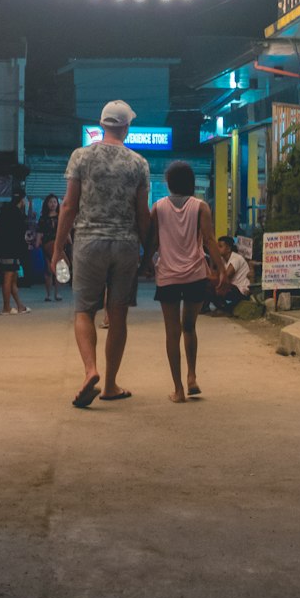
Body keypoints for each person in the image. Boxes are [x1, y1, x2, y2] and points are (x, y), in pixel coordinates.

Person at [52, 99, 150, 408]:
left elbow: (68, 206)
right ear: (126, 128)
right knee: (117, 315)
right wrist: (148, 254)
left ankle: (90, 370)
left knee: (84, 311)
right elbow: (143, 213)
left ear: (101, 124)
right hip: (125, 244)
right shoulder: (138, 163)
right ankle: (109, 385)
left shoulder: (81, 157)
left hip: (89, 243)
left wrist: (57, 249)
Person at [146, 160, 228, 402]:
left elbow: (151, 241)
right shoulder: (200, 206)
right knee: (190, 327)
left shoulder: (158, 207)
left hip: (168, 277)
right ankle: (192, 376)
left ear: (169, 183)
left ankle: (179, 390)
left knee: (172, 334)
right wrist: (221, 269)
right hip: (195, 275)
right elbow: (210, 241)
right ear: (190, 182)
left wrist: (144, 266)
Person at [0, 192, 30, 314]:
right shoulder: (17, 214)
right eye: (24, 200)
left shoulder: (5, 212)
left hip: (4, 249)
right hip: (12, 250)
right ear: (21, 200)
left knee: (12, 278)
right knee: (9, 278)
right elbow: (20, 234)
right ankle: (6, 308)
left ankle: (20, 306)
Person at [205, 235, 252, 314]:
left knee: (213, 283)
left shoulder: (236, 258)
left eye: (220, 246)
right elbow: (215, 274)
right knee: (208, 284)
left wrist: (209, 277)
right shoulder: (223, 260)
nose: (217, 249)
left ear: (228, 248)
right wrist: (212, 260)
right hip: (231, 288)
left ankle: (225, 309)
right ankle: (222, 308)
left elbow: (225, 276)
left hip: (240, 291)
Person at [36, 192, 63, 302]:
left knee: (59, 269)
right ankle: (48, 294)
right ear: (47, 204)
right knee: (48, 270)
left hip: (59, 245)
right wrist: (37, 243)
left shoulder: (61, 216)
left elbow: (65, 230)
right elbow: (39, 232)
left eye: (54, 202)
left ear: (57, 203)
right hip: (47, 245)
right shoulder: (43, 218)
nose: (53, 204)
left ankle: (58, 293)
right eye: (50, 202)